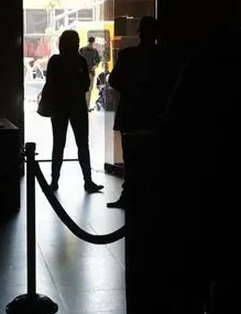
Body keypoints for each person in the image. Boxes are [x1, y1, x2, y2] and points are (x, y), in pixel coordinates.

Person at [106, 16, 163, 209]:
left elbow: (113, 81)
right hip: (155, 115)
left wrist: (131, 88)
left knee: (130, 159)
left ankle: (129, 195)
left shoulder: (128, 55)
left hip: (131, 113)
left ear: (139, 32)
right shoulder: (163, 56)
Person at [42, 30, 104, 193]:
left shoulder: (55, 61)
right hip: (77, 107)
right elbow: (85, 86)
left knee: (58, 144)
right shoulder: (80, 61)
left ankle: (54, 181)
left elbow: (50, 83)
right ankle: (87, 181)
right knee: (83, 145)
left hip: (58, 107)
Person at [80, 35, 102, 108]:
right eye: (90, 43)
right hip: (83, 72)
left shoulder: (94, 51)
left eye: (91, 43)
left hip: (90, 73)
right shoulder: (82, 50)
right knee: (84, 89)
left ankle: (87, 106)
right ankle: (83, 105)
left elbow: (98, 60)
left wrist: (95, 66)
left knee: (89, 89)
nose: (91, 44)